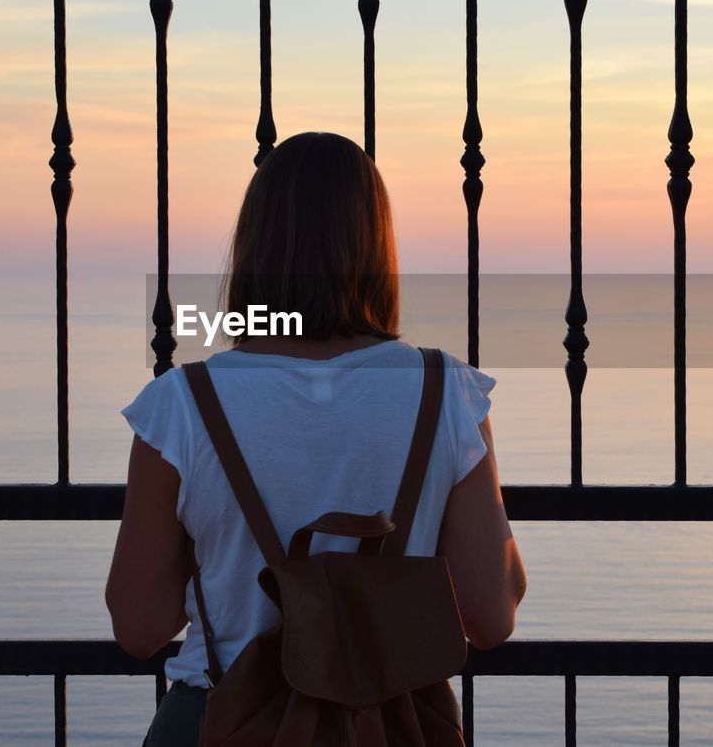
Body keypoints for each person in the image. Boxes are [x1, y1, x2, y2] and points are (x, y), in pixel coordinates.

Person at [106, 131, 526, 746]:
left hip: (217, 720)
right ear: (376, 245)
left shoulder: (183, 405)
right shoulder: (447, 394)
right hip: (388, 724)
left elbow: (139, 625)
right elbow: (489, 616)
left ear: (254, 247)